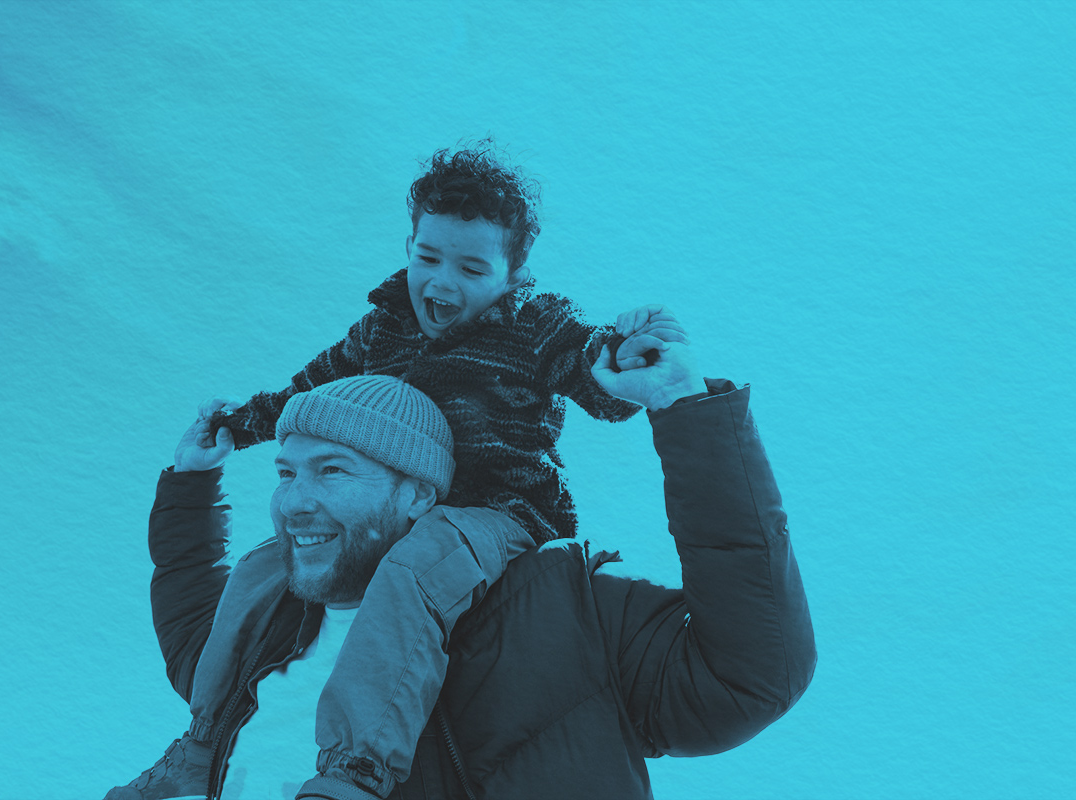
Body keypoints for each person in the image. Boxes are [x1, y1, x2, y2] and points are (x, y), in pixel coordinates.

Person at [103, 321, 816, 799]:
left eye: (331, 472)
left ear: (418, 496)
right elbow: (190, 602)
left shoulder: (560, 611)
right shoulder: (261, 630)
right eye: (285, 474)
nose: (293, 501)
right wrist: (189, 481)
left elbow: (748, 675)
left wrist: (682, 406)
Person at [184, 142, 673, 797]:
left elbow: (587, 364)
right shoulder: (381, 328)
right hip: (394, 512)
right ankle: (198, 745)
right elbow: (312, 393)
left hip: (494, 512)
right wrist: (236, 426)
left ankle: (360, 767)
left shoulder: (533, 326)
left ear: (511, 276)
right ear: (409, 246)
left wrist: (625, 357)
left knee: (416, 565)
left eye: (472, 267)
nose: (442, 283)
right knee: (259, 568)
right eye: (428, 257)